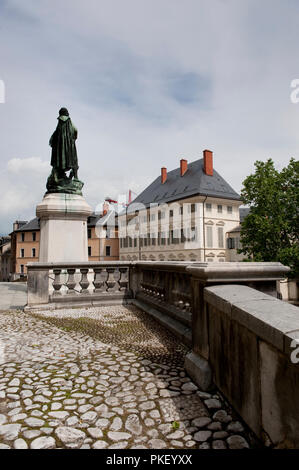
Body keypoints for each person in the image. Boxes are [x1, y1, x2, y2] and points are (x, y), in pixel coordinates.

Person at [49, 107, 79, 179]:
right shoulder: (69, 120)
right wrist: (74, 138)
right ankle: (75, 178)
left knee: (59, 160)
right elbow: (75, 129)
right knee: (73, 160)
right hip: (69, 145)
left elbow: (56, 133)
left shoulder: (59, 121)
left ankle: (58, 174)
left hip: (59, 147)